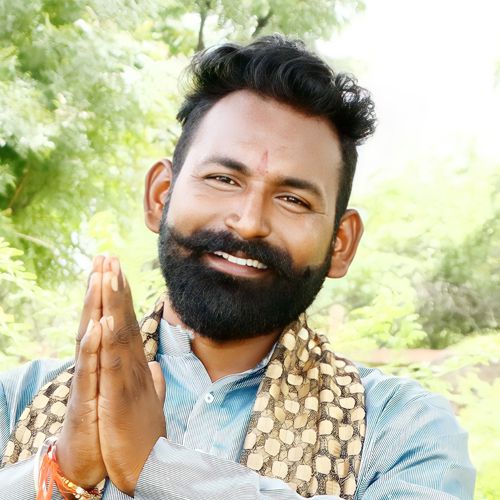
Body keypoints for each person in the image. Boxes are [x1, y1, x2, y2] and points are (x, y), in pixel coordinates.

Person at [0, 35, 474, 499]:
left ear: (340, 244)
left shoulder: (403, 431)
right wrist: (61, 471)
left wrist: (156, 467)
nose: (249, 223)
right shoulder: (17, 399)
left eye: (293, 199)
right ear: (160, 196)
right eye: (223, 179)